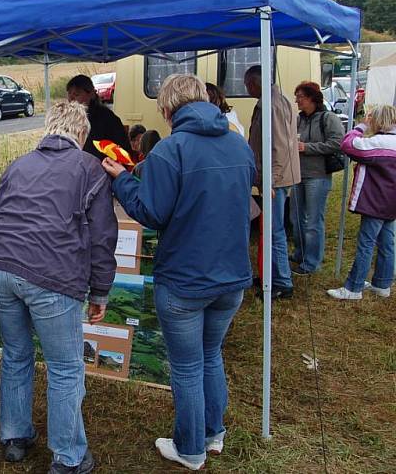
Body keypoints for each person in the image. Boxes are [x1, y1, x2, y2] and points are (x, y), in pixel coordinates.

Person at [103, 74, 255, 471]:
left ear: (168, 110)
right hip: (233, 275)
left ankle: (190, 449)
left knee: (187, 366)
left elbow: (151, 212)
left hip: (185, 280)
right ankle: (212, 433)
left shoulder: (170, 151)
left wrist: (121, 180)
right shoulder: (239, 143)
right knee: (211, 355)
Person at [0, 101, 118, 474]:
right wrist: (101, 291)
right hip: (51, 275)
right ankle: (69, 456)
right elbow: (103, 236)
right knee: (64, 368)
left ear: (48, 128)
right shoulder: (90, 168)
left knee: (16, 354)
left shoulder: (18, 164)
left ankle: (14, 436)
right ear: (81, 134)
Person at [327, 105, 396, 300]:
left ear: (378, 120)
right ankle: (382, 284)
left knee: (366, 243)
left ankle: (354, 288)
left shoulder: (379, 142)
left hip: (376, 201)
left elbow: (348, 145)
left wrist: (361, 127)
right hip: (391, 203)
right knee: (386, 242)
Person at [245, 65, 300, 299]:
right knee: (271, 229)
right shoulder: (272, 100)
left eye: (247, 84)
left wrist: (271, 182)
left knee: (274, 231)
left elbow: (280, 146)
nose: (246, 88)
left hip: (276, 180)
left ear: (256, 83)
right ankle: (272, 274)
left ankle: (282, 282)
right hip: (275, 177)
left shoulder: (272, 104)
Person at [290, 81, 344, 275]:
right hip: (298, 175)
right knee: (296, 218)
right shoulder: (299, 119)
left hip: (318, 176)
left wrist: (307, 147)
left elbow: (338, 143)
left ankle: (312, 262)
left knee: (313, 221)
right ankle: (300, 253)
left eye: (300, 97)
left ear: (312, 98)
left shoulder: (328, 118)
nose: (297, 100)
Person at [66, 74, 132, 161]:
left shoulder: (107, 118)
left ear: (91, 94)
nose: (71, 98)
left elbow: (122, 150)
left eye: (76, 94)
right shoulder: (66, 117)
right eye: (69, 93)